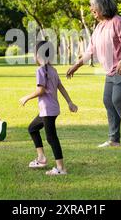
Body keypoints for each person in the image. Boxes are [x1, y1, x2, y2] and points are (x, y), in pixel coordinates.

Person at [66, 0, 121, 150]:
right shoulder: (99, 27)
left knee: (119, 99)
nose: (91, 8)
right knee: (109, 100)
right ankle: (114, 139)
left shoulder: (117, 22)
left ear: (102, 6)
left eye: (93, 5)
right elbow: (89, 52)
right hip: (112, 70)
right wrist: (75, 66)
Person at [20, 41, 78, 176]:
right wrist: (69, 102)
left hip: (47, 110)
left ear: (37, 54)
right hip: (49, 110)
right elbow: (61, 87)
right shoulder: (53, 70)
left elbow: (40, 90)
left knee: (51, 138)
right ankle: (41, 159)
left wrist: (26, 97)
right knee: (32, 128)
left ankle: (60, 168)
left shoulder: (40, 70)